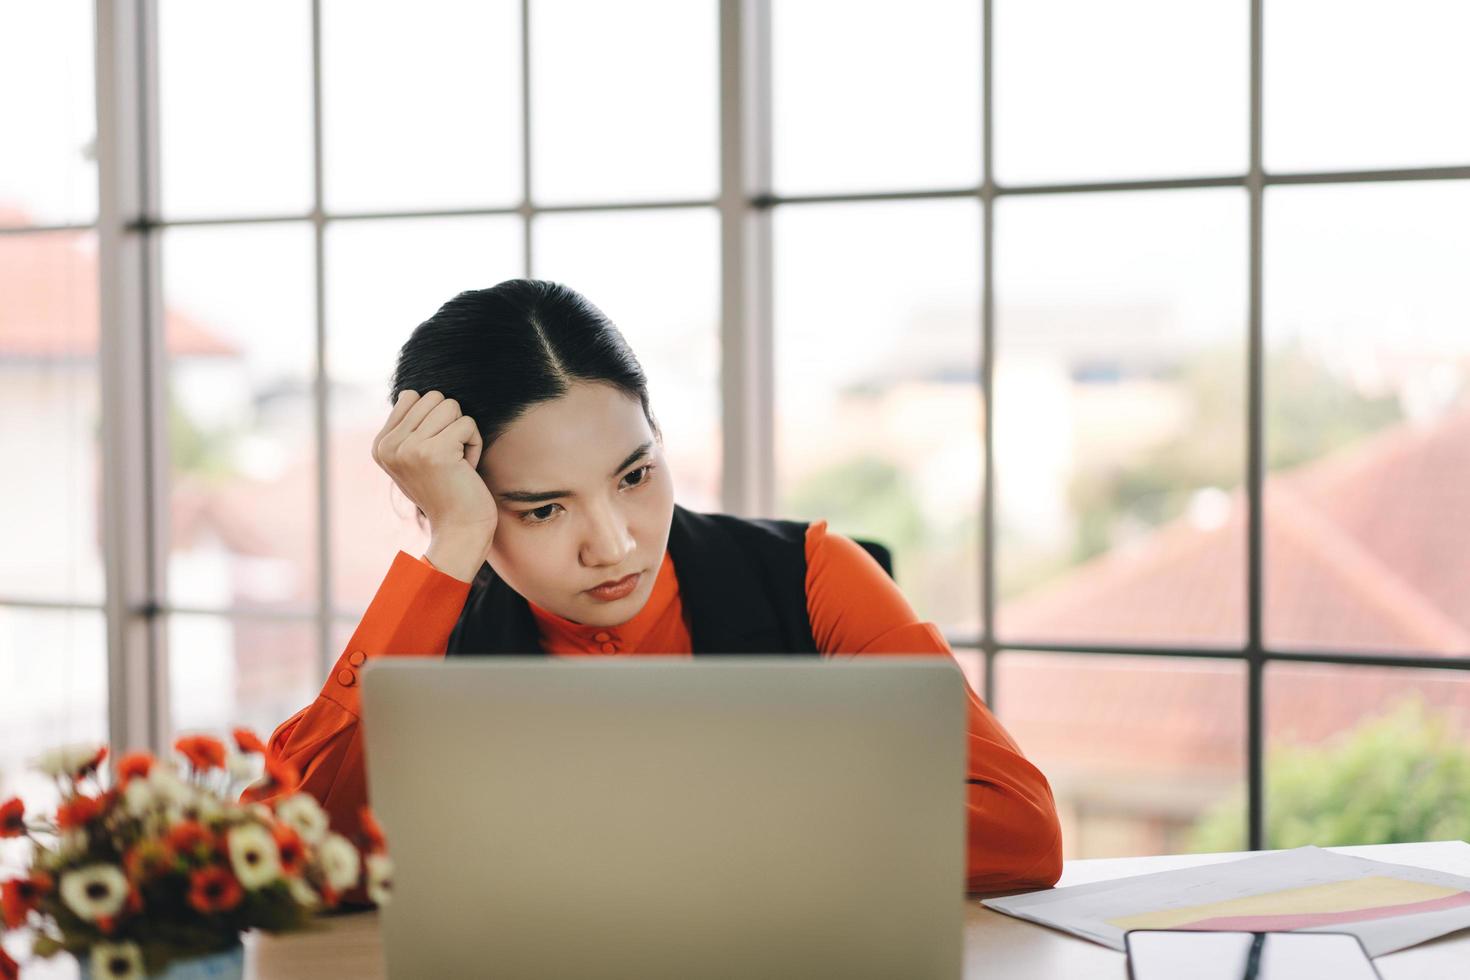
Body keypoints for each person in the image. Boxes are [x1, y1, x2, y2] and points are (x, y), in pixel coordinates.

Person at [255, 279, 1062, 895]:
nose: (613, 545)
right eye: (541, 510)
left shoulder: (812, 574)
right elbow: (287, 863)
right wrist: (452, 545)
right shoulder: (433, 636)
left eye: (636, 474)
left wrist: (670, 846)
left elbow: (1021, 830)